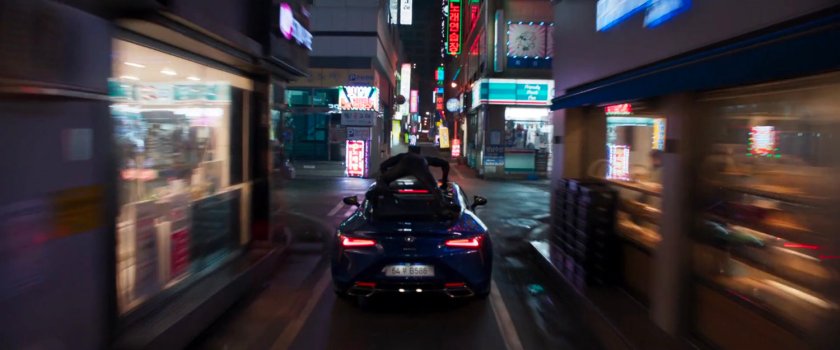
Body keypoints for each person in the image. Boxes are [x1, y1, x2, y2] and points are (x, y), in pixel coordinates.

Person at [377, 145, 449, 192]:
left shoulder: (402, 156)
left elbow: (383, 165)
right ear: (419, 153)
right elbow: (445, 164)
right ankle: (442, 204)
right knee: (435, 190)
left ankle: (375, 194)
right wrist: (444, 182)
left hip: (402, 167)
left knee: (382, 180)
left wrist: (387, 179)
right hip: (421, 171)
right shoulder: (423, 158)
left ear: (408, 151)